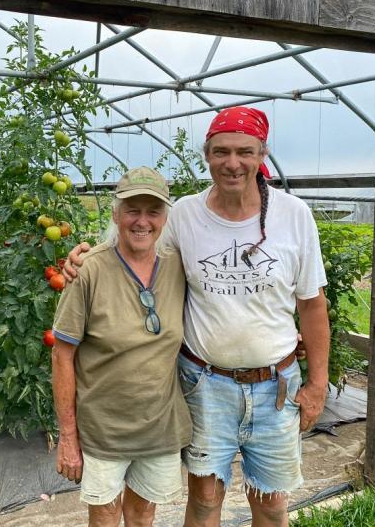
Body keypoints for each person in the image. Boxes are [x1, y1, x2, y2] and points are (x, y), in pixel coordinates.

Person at [65, 107, 330, 527]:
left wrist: (317, 383)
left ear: (262, 153)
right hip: (206, 382)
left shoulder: (293, 215)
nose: (233, 163)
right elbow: (133, 243)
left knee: (272, 503)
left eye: (245, 152)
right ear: (207, 154)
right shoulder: (186, 214)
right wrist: (84, 254)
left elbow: (312, 305)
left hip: (276, 384)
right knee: (205, 498)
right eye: (220, 151)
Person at [51, 166, 192, 527]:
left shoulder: (178, 264)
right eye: (132, 209)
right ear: (115, 214)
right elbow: (62, 354)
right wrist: (68, 435)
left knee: (143, 513)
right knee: (105, 515)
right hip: (103, 429)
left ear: (165, 217)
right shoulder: (88, 270)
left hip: (158, 425)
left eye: (153, 211)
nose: (142, 221)